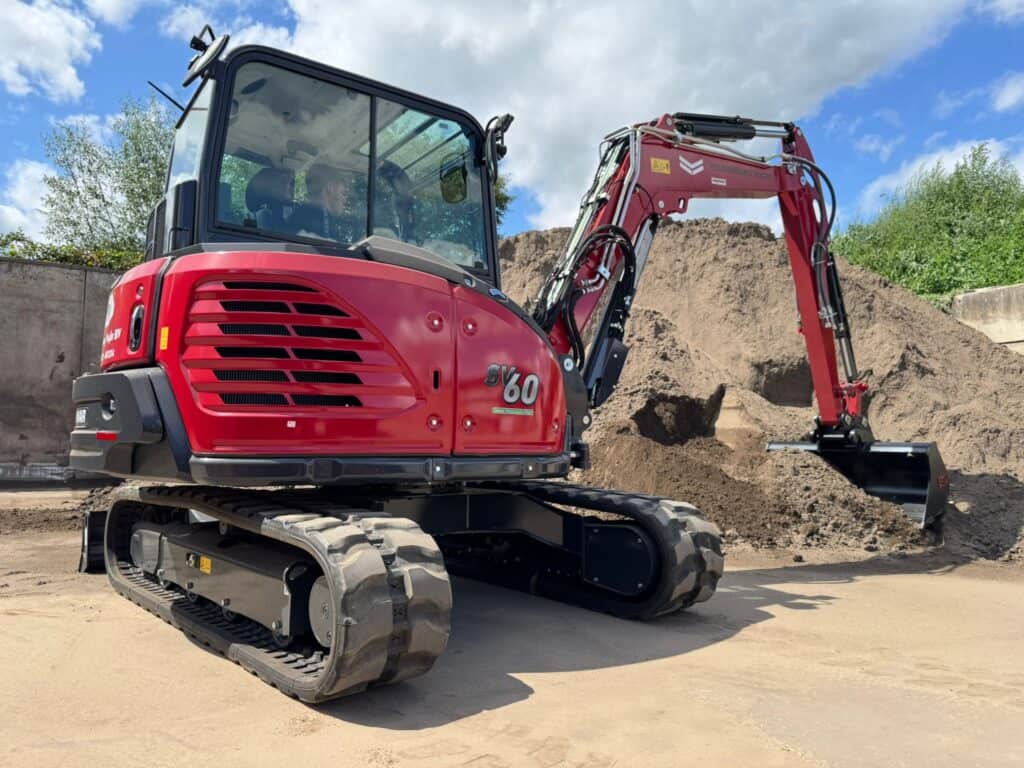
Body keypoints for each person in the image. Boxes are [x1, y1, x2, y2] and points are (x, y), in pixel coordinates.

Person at [291, 163, 364, 243]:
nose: (344, 200)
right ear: (330, 188)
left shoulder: (301, 214)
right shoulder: (317, 216)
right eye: (342, 193)